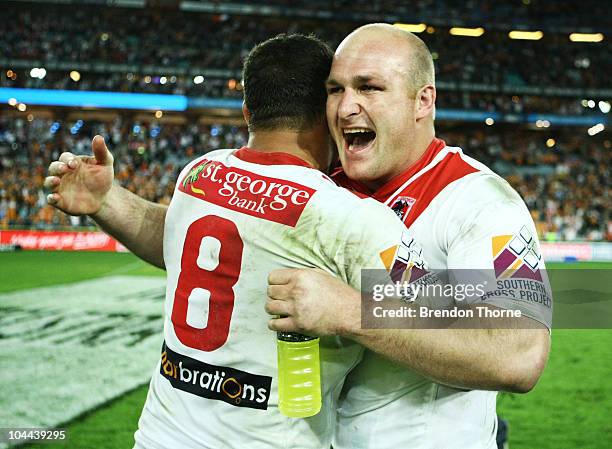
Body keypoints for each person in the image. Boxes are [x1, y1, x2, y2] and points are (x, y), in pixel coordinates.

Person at [44, 33, 426, 449]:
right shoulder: (349, 216)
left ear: (247, 112)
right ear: (329, 112)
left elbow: (177, 241)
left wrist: (108, 201)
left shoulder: (199, 174)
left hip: (159, 437)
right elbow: (441, 313)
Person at [265, 24, 552, 449]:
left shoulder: (480, 202)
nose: (346, 108)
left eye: (369, 88)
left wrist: (351, 311)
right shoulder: (325, 189)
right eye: (335, 89)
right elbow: (210, 236)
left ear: (423, 100)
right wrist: (124, 204)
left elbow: (518, 355)